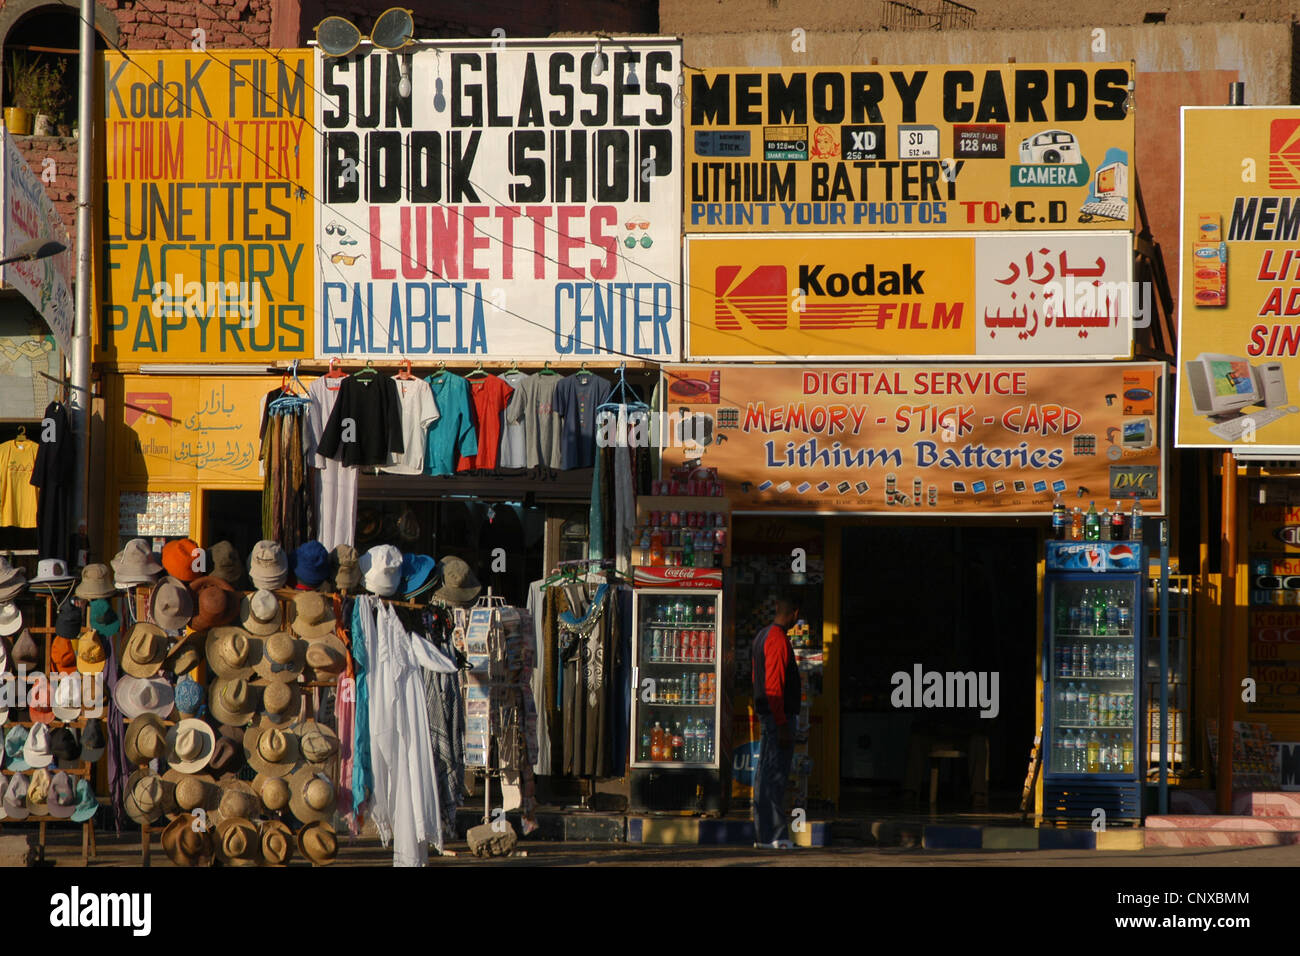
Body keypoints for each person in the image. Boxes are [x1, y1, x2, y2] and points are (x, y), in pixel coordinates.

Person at [751, 593, 802, 848]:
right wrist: (782, 724)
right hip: (776, 718)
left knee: (764, 776)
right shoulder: (778, 639)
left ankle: (764, 834)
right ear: (794, 613)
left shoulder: (762, 636)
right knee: (775, 777)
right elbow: (773, 686)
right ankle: (776, 836)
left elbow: (757, 679)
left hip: (767, 715)